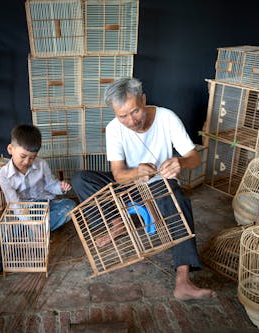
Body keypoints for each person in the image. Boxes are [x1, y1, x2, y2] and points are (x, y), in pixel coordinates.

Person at [71, 77, 216, 300]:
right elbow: (119, 175)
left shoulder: (167, 118)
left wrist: (181, 163)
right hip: (131, 184)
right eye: (122, 116)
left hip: (160, 185)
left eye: (135, 111)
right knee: (81, 179)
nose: (131, 121)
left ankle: (183, 280)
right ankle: (122, 222)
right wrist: (136, 173)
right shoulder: (113, 129)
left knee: (179, 200)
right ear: (114, 113)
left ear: (144, 99)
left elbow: (193, 158)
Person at [0, 124, 76, 287]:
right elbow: (14, 203)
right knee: (5, 228)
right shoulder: (4, 174)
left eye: (32, 157)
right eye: (23, 156)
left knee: (70, 206)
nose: (27, 161)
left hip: (44, 205)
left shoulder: (41, 164)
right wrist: (31, 223)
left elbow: (51, 185)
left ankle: (27, 234)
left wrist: (60, 187)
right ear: (10, 149)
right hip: (19, 208)